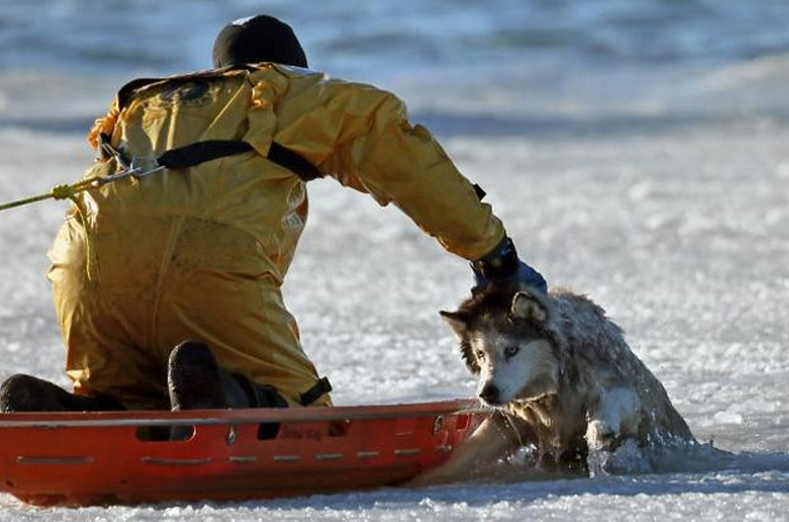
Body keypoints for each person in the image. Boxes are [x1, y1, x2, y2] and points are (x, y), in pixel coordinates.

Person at [0, 15, 546, 414]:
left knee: (132, 395)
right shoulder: (290, 91)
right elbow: (405, 161)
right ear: (290, 65)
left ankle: (67, 411)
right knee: (302, 413)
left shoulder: (145, 104)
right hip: (207, 265)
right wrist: (492, 253)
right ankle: (229, 397)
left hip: (84, 270)